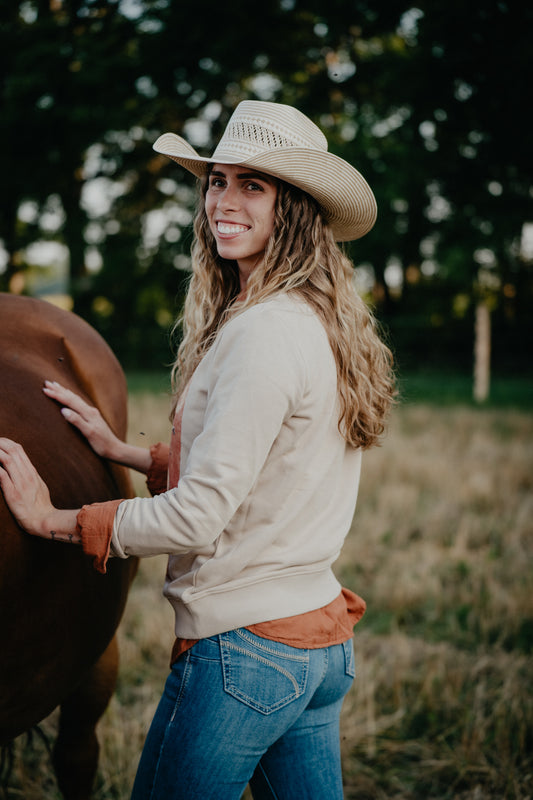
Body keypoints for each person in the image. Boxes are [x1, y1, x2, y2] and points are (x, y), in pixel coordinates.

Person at [0, 100, 395, 799]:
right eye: (217, 180)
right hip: (316, 649)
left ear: (295, 208)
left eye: (253, 185)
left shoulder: (261, 334)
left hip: (245, 658)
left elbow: (196, 518)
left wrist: (53, 518)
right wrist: (127, 452)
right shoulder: (315, 320)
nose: (224, 201)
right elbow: (275, 467)